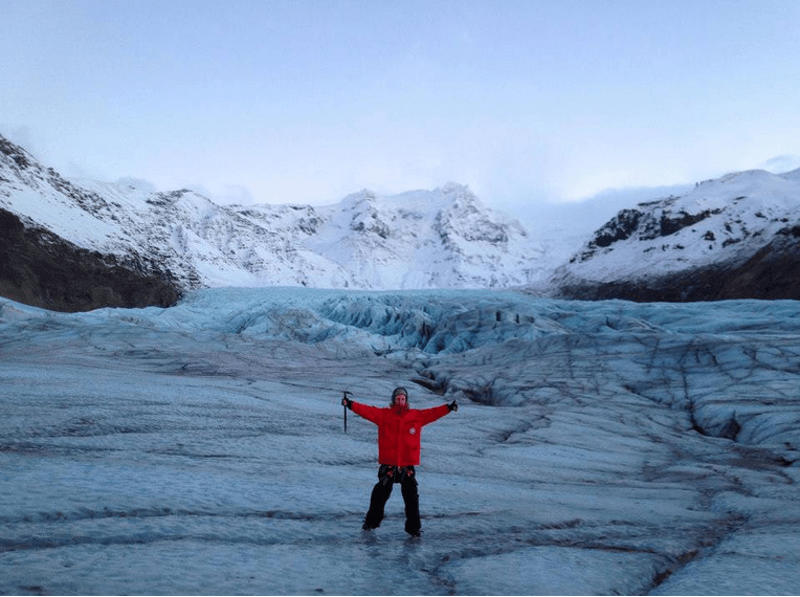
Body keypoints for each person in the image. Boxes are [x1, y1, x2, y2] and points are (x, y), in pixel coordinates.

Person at [342, 386, 458, 537]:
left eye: (403, 399)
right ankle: (370, 523)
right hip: (389, 464)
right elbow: (367, 411)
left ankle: (414, 529)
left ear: (406, 400)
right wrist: (350, 404)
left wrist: (448, 408)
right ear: (393, 400)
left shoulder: (415, 415)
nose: (400, 401)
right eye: (398, 399)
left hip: (407, 465)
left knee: (412, 499)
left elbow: (432, 413)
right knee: (379, 495)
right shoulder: (384, 414)